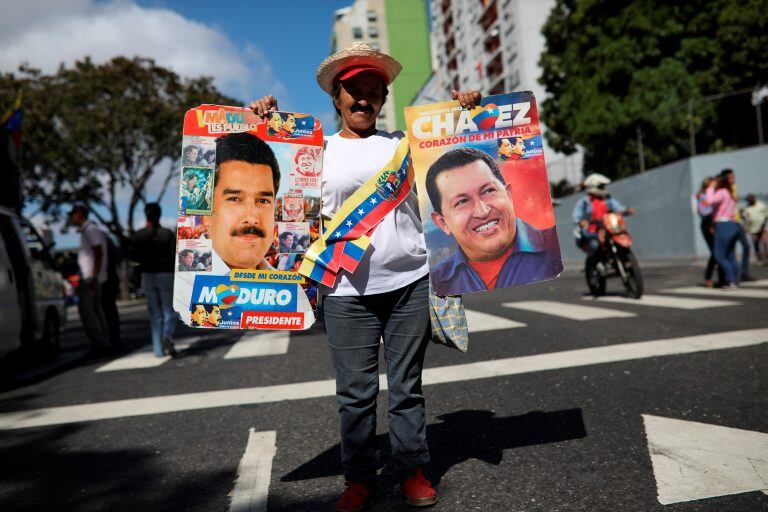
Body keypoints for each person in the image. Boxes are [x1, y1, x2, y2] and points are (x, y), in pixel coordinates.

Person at [251, 42, 481, 511]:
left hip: (410, 282)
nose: (362, 99)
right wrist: (262, 121)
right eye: (353, 91)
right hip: (344, 291)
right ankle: (358, 479)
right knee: (355, 397)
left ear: (382, 99)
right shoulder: (315, 150)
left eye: (372, 91)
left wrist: (467, 112)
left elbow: (462, 154)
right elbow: (271, 176)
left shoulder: (404, 144)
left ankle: (413, 469)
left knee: (405, 389)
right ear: (336, 98)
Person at [425, 147, 561, 296]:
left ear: (508, 195)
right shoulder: (437, 283)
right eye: (462, 202)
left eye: (488, 191)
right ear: (443, 223)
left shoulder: (553, 247)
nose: (482, 212)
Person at [202, 131, 280, 270]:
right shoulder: (185, 288)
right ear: (205, 212)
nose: (251, 218)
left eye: (262, 201)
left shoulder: (294, 290)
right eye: (235, 199)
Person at [131, 202, 178, 357]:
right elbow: (174, 255)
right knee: (169, 311)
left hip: (148, 274)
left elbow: (133, 256)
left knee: (155, 313)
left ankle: (158, 349)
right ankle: (167, 334)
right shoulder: (167, 233)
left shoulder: (139, 235)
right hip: (166, 274)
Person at [572, 173, 635, 285]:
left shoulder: (608, 199)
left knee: (621, 237)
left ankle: (622, 261)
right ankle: (592, 270)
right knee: (594, 245)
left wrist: (626, 210)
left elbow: (618, 208)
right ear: (593, 186)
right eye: (601, 187)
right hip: (592, 232)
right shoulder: (585, 201)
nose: (603, 189)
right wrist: (582, 221)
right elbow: (576, 216)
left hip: (607, 229)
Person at [67, 204, 111, 353]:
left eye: (72, 214)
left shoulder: (90, 230)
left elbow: (98, 253)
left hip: (90, 278)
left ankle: (100, 343)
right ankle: (103, 341)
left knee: (87, 311)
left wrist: (94, 277)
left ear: (79, 214)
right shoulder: (89, 230)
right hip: (92, 277)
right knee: (95, 310)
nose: (71, 217)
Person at [706, 170, 741, 289]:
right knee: (730, 255)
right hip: (732, 225)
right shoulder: (730, 192)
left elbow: (709, 201)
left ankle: (730, 280)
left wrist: (710, 188)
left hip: (723, 225)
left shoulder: (721, 192)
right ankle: (734, 280)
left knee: (720, 255)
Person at [695, 177, 724, 287]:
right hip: (707, 225)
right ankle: (708, 276)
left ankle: (723, 278)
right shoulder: (702, 197)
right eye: (713, 184)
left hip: (716, 223)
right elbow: (704, 211)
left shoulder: (716, 194)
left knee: (720, 251)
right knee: (715, 252)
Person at [742, 193, 768, 265]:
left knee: (766, 243)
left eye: (751, 199)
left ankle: (766, 258)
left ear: (754, 198)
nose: (750, 201)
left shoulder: (761, 205)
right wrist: (745, 228)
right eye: (748, 200)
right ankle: (759, 259)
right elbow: (745, 219)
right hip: (753, 229)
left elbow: (766, 216)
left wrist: (763, 225)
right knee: (756, 244)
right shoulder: (747, 208)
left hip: (763, 228)